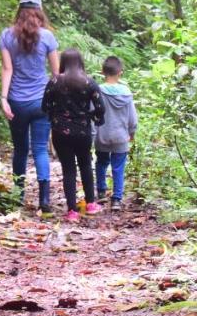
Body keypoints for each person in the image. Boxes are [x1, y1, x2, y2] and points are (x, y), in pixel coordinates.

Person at [0, 0, 59, 213]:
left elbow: (8, 69)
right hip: (42, 101)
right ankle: (44, 199)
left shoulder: (6, 36)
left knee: (21, 149)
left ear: (19, 11)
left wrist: (4, 99)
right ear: (39, 11)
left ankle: (18, 196)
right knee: (41, 149)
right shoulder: (48, 38)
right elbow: (55, 74)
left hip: (16, 101)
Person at [41, 48, 105, 221]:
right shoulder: (89, 82)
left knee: (68, 169)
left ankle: (72, 211)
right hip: (83, 131)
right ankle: (91, 203)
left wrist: (56, 115)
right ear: (80, 62)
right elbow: (100, 107)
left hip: (60, 132)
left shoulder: (54, 82)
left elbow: (44, 106)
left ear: (63, 63)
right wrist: (90, 116)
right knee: (85, 165)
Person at [94, 56, 138, 208]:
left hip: (102, 135)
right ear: (121, 72)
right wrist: (132, 133)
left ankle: (100, 191)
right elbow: (132, 118)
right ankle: (117, 199)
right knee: (118, 167)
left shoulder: (98, 91)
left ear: (102, 72)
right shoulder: (126, 93)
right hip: (121, 136)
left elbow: (92, 112)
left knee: (101, 162)